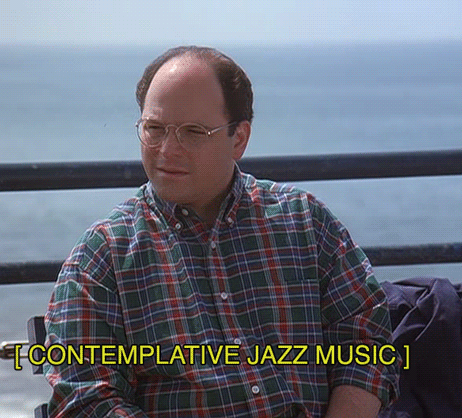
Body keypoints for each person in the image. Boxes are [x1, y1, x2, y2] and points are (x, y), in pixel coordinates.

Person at [44, 45, 400, 418]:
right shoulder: (103, 256)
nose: (168, 149)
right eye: (154, 129)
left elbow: (367, 342)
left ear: (239, 138)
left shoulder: (304, 222)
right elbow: (87, 401)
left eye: (193, 132)